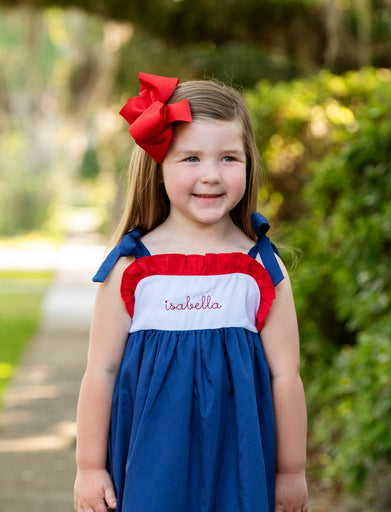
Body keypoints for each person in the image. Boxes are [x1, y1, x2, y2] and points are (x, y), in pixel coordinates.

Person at [74, 72, 308, 512]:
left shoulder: (260, 269)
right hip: (149, 463)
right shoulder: (132, 268)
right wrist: (90, 467)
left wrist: (291, 472)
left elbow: (286, 377)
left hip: (239, 460)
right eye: (191, 159)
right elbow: (100, 372)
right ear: (159, 166)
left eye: (228, 159)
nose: (211, 176)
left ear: (249, 164)